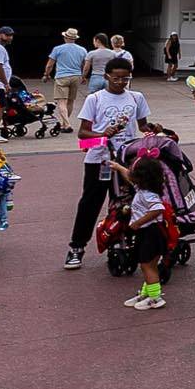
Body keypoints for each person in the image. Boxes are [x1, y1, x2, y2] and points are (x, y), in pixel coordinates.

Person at [64, 56, 150, 270]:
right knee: (90, 204)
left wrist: (154, 131)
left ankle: (123, 243)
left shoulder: (137, 97)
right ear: (106, 77)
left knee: (125, 204)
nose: (121, 82)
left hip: (127, 160)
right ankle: (77, 247)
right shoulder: (95, 99)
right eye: (116, 78)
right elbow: (83, 134)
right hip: (99, 160)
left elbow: (143, 126)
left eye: (125, 78)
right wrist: (103, 134)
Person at [118, 155, 176, 311]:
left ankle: (155, 297)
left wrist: (138, 222)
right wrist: (117, 167)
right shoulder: (142, 189)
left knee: (147, 265)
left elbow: (158, 209)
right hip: (148, 232)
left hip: (151, 232)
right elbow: (128, 177)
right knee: (148, 265)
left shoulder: (148, 195)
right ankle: (147, 292)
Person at [46, 29, 89, 126]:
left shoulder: (58, 49)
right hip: (76, 76)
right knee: (70, 101)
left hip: (62, 77)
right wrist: (83, 76)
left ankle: (67, 124)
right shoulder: (82, 50)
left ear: (65, 37)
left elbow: (50, 65)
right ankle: (64, 124)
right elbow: (84, 65)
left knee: (61, 101)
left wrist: (46, 74)